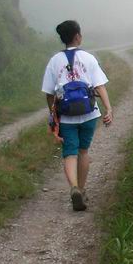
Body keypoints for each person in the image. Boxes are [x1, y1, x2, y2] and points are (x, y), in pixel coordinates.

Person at [41, 20, 114, 211]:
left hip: (66, 116)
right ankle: (81, 189)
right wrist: (108, 108)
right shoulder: (88, 58)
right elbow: (99, 86)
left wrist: (53, 114)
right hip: (89, 114)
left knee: (70, 153)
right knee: (83, 151)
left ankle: (74, 188)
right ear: (78, 36)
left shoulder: (54, 61)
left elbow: (49, 93)